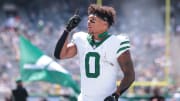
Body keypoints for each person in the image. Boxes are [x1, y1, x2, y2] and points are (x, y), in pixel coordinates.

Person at [54, 4, 135, 101]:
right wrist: (67, 30)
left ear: (105, 22)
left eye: (92, 20)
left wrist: (116, 94)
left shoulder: (117, 42)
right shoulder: (80, 38)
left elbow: (130, 74)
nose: (88, 22)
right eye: (88, 20)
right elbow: (60, 55)